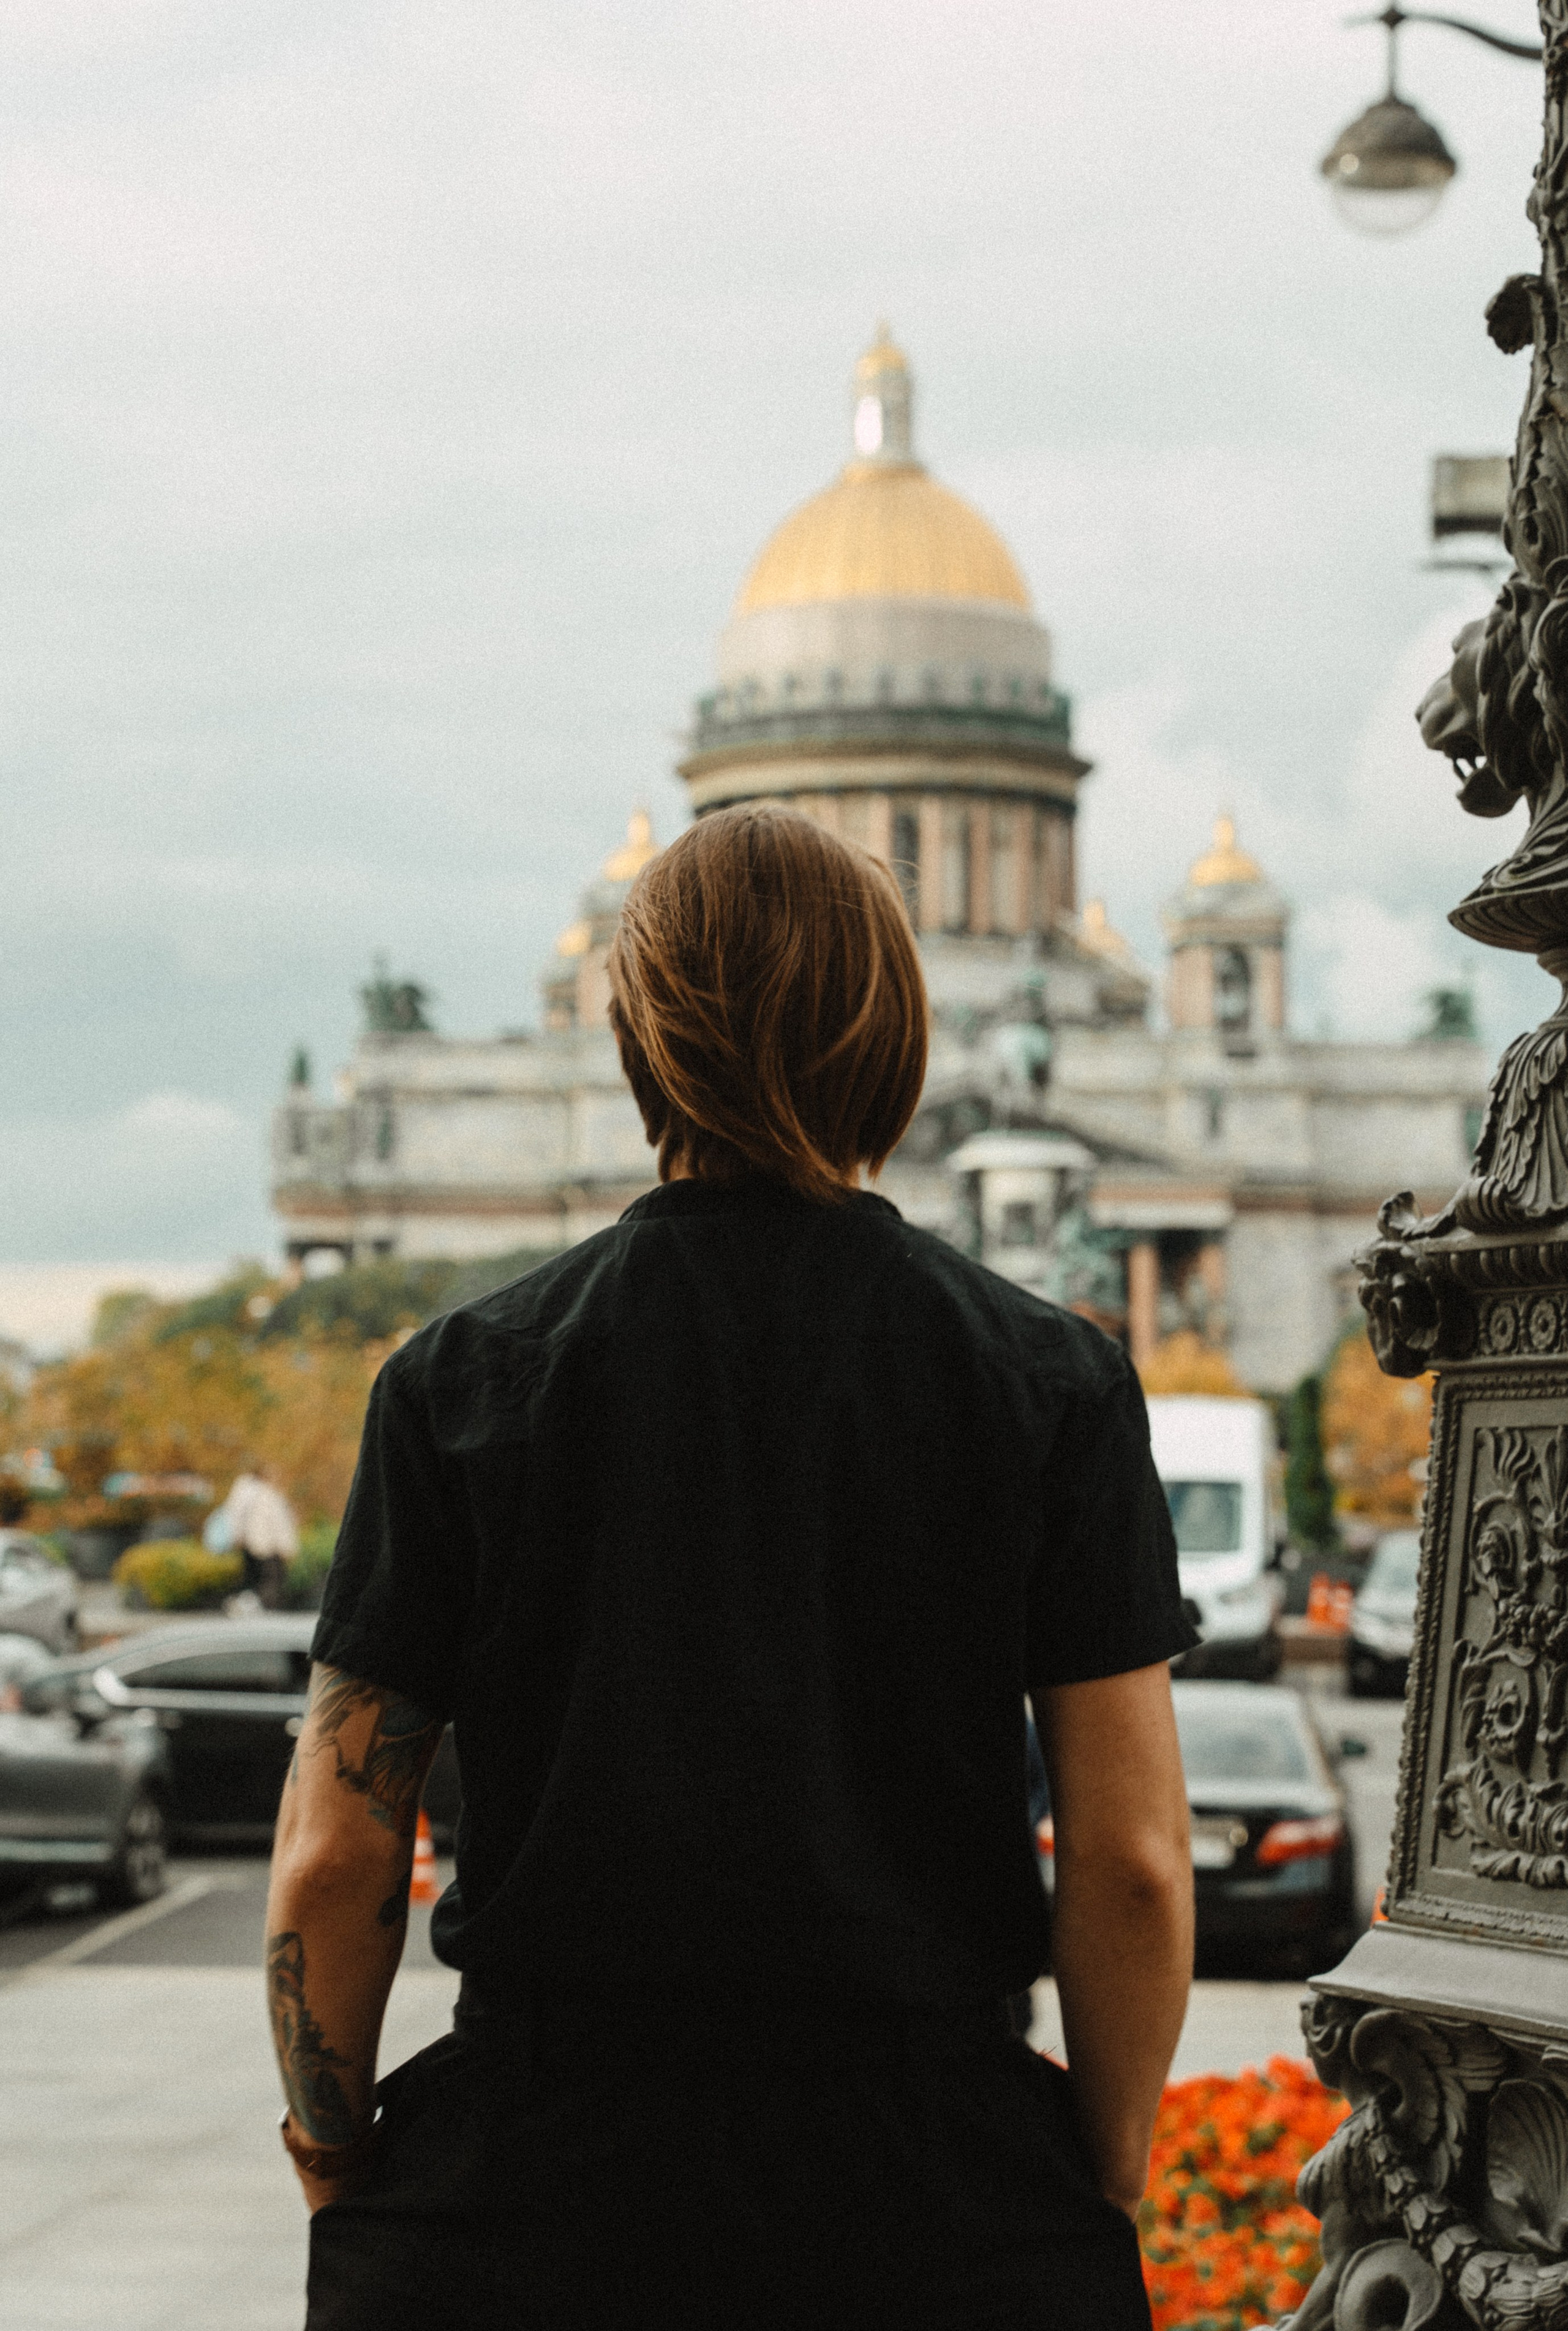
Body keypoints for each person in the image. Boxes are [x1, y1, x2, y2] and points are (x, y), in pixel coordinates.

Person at [265, 804, 1196, 2331]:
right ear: (893, 1039)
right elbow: (1133, 1858)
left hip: (534, 2186)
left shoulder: (458, 1382)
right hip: (930, 2189)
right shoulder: (1052, 1384)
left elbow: (333, 1850)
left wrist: (332, 2146)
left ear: (638, 1042)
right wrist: (1095, 2171)